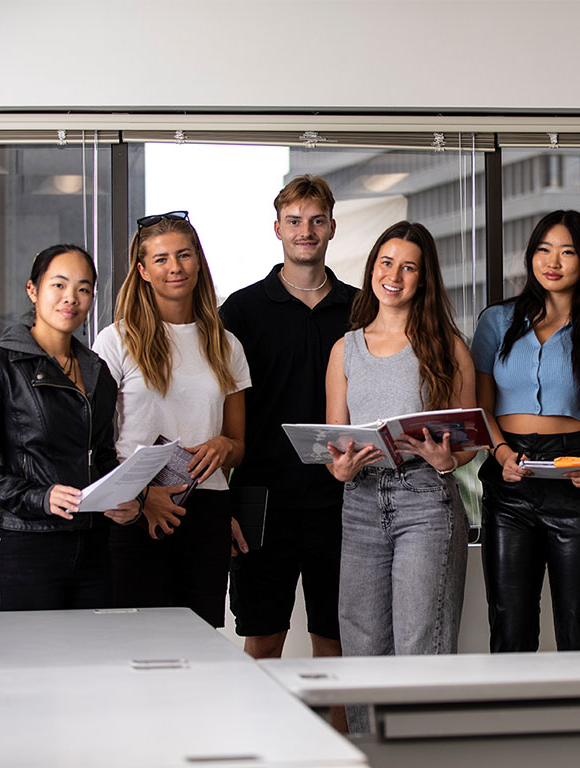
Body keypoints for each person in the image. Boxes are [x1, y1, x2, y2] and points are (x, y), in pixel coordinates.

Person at [325, 221, 474, 709]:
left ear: (423, 278)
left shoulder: (448, 345)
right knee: (362, 649)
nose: (394, 275)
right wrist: (341, 470)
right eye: (386, 263)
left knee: (421, 646)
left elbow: (469, 443)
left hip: (427, 501)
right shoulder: (344, 349)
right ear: (372, 269)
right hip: (361, 500)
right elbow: (335, 442)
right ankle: (370, 757)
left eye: (408, 267)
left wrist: (445, 458)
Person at [471, 209, 580, 652]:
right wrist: (501, 454)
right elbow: (481, 409)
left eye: (566, 251)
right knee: (510, 626)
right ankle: (516, 721)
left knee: (579, 626)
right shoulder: (496, 323)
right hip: (509, 481)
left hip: (576, 476)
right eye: (543, 250)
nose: (552, 261)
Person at [219, 175, 355, 665]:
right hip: (259, 496)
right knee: (262, 639)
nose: (306, 231)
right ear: (277, 228)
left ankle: (339, 742)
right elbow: (219, 411)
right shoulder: (241, 310)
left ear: (332, 228)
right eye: (294, 221)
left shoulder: (361, 308)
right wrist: (227, 501)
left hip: (341, 496)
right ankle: (264, 741)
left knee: (336, 642)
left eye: (316, 221)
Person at [94, 212, 250, 628]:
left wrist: (223, 446)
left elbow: (237, 445)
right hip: (136, 509)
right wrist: (145, 498)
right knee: (133, 641)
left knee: (201, 643)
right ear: (143, 270)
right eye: (161, 259)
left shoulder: (226, 344)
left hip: (206, 509)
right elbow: (96, 441)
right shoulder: (115, 341)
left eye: (184, 255)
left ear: (198, 261)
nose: (175, 267)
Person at [0, 244, 140, 611]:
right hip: (26, 546)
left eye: (83, 288)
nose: (70, 299)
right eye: (58, 285)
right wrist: (38, 497)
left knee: (92, 664)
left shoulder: (98, 372)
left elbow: (103, 454)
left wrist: (130, 500)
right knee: (30, 667)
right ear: (33, 289)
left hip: (94, 544)